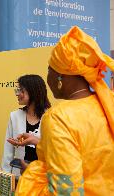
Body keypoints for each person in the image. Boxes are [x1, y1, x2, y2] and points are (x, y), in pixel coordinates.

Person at [16, 26, 114, 195]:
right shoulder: (108, 103)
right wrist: (41, 143)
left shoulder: (58, 118)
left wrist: (32, 175)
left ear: (61, 77)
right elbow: (90, 152)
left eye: (49, 70)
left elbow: (65, 191)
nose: (48, 78)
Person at [2, 75, 51, 177]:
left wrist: (36, 141)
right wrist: (5, 177)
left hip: (44, 176)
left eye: (21, 90)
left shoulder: (51, 116)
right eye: (17, 90)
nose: (17, 94)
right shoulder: (14, 116)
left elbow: (55, 150)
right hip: (19, 176)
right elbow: (8, 152)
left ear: (33, 91)